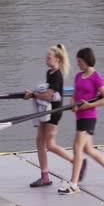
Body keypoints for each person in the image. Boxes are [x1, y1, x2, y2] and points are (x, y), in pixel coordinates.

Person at [58, 47, 104, 195]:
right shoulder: (78, 76)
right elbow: (74, 95)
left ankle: (73, 184)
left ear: (86, 61)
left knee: (77, 147)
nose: (77, 64)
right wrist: (73, 104)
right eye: (77, 61)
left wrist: (90, 105)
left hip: (89, 117)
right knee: (87, 149)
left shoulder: (95, 77)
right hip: (79, 116)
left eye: (79, 61)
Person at [24, 44, 86, 187]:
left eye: (49, 57)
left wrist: (32, 94)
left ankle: (76, 162)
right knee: (39, 141)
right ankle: (44, 176)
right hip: (45, 110)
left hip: (54, 112)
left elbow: (48, 95)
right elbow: (46, 93)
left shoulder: (57, 75)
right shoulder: (49, 72)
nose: (46, 59)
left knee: (50, 145)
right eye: (46, 56)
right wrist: (34, 94)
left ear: (57, 59)